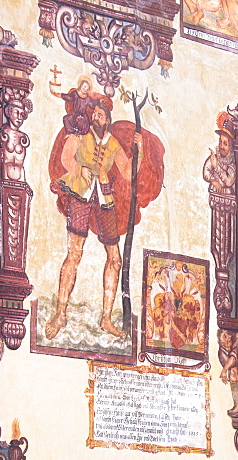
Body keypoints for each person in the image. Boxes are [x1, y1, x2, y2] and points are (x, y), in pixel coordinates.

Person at [45, 97, 141, 340]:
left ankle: (106, 319)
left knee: (115, 258)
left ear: (107, 120)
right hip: (81, 191)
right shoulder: (79, 135)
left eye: (99, 115)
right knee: (75, 252)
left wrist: (138, 152)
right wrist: (79, 169)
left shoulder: (114, 144)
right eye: (94, 114)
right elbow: (67, 159)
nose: (94, 118)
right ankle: (60, 313)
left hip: (105, 194)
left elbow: (128, 173)